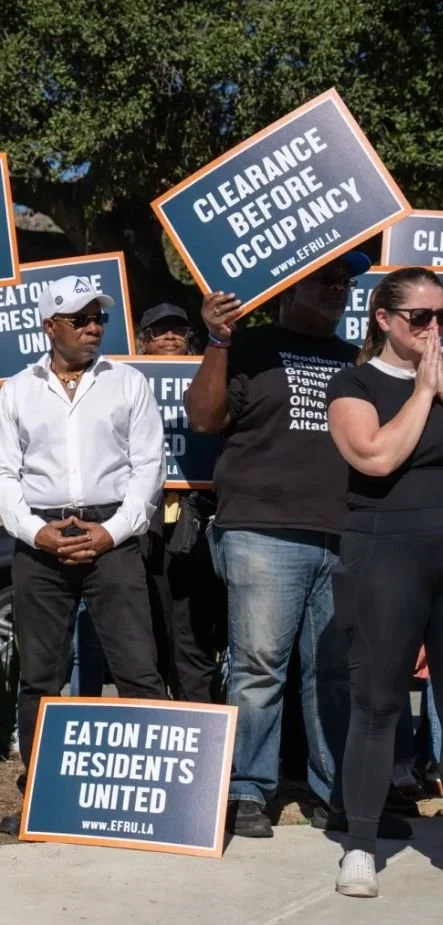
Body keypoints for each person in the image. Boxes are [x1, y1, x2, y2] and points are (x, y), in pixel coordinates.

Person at [183, 252, 405, 839]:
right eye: (325, 279)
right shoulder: (248, 346)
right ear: (289, 286)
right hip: (262, 530)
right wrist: (216, 340)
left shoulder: (358, 361)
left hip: (344, 535)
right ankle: (248, 791)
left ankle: (336, 792)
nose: (338, 289)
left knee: (335, 675)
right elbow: (204, 419)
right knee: (258, 668)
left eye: (346, 282)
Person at [0, 275, 167, 835]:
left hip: (112, 532)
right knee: (41, 675)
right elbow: (2, 472)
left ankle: (153, 799)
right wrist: (32, 532)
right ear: (50, 326)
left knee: (137, 667)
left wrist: (112, 533)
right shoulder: (17, 389)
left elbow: (149, 469)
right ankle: (43, 795)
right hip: (40, 539)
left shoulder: (128, 383)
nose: (93, 329)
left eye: (100, 320)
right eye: (81, 320)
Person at [325, 267, 443, 897]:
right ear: (384, 320)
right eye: (419, 317)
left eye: (440, 318)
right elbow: (375, 456)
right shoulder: (356, 382)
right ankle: (361, 847)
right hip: (385, 551)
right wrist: (423, 392)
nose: (432, 329)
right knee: (378, 702)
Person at [136, 301, 224, 703]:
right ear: (143, 342)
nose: (169, 337)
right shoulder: (125, 383)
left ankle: (201, 726)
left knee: (193, 637)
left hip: (196, 522)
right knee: (147, 636)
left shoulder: (209, 380)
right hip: (142, 524)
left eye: (178, 330)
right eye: (159, 331)